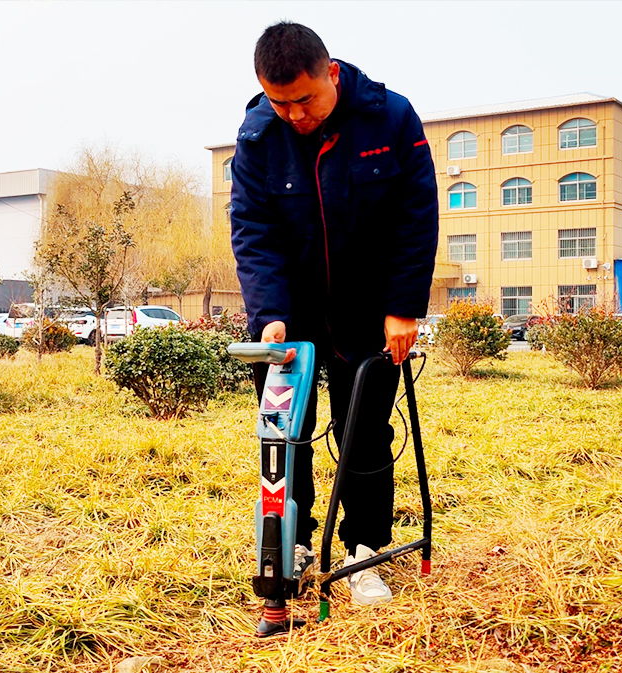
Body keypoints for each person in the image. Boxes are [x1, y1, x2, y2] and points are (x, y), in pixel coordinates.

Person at [229, 22, 438, 605]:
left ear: (332, 74)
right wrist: (269, 313)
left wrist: (402, 308)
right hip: (289, 312)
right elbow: (252, 231)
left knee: (363, 431)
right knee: (284, 434)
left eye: (305, 99)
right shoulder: (257, 136)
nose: (294, 115)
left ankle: (363, 550)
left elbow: (416, 217)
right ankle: (291, 542)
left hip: (369, 309)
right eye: (280, 102)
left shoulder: (390, 118)